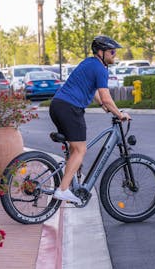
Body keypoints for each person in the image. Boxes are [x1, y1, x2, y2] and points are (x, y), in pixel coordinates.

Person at [49, 35, 130, 204]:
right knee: (80, 150)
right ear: (101, 52)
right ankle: (62, 190)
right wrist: (119, 114)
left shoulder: (89, 63)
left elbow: (93, 91)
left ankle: (70, 186)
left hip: (58, 105)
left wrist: (103, 105)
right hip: (70, 108)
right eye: (112, 52)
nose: (114, 55)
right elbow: (107, 97)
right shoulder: (100, 68)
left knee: (74, 149)